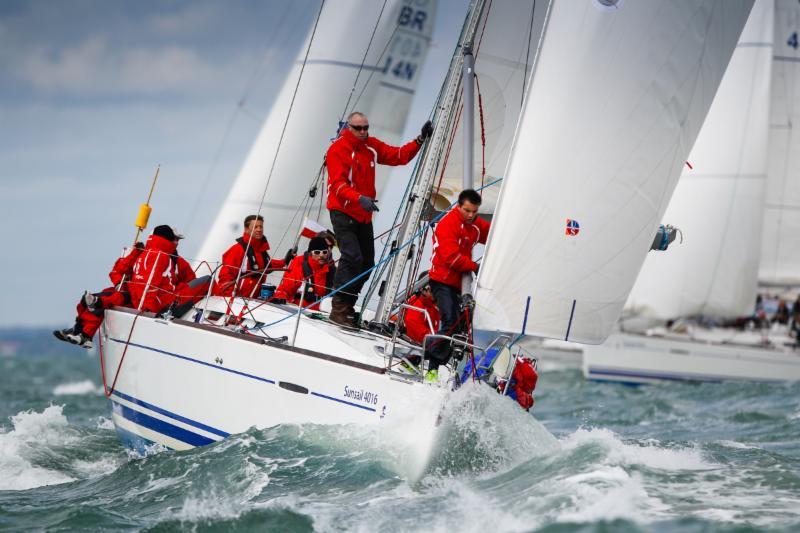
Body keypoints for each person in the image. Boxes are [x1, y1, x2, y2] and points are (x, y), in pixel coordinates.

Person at [326, 111, 433, 326]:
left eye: (366, 128)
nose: (364, 132)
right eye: (359, 128)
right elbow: (337, 184)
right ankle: (338, 308)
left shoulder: (370, 146)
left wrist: (420, 140)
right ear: (349, 128)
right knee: (352, 257)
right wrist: (359, 198)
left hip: (364, 215)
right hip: (343, 211)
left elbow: (398, 156)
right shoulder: (338, 149)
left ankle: (348, 305)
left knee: (367, 263)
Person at [424, 189, 491, 376]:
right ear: (459, 206)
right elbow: (452, 258)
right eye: (467, 210)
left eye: (475, 212)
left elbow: (494, 235)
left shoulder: (475, 224)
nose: (471, 215)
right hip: (441, 281)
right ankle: (423, 360)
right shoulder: (447, 223)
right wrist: (476, 267)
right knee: (450, 322)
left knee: (460, 328)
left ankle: (439, 369)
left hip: (459, 285)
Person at [53, 242, 144, 349]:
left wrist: (135, 253)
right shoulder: (135, 257)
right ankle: (77, 329)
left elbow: (126, 275)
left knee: (98, 304)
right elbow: (115, 272)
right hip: (121, 291)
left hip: (130, 296)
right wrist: (119, 282)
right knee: (85, 300)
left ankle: (85, 336)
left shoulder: (145, 260)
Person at [129, 225, 209, 314]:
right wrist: (147, 310)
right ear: (166, 238)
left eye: (178, 240)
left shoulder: (145, 254)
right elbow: (150, 284)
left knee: (202, 283)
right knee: (208, 280)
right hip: (163, 304)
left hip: (151, 301)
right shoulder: (160, 256)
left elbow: (190, 279)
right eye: (174, 238)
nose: (176, 242)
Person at [213, 214, 293, 298]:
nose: (259, 230)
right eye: (255, 227)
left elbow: (267, 265)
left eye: (261, 227)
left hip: (251, 300)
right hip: (236, 300)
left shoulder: (261, 251)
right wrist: (228, 298)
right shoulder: (237, 249)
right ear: (246, 229)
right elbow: (226, 275)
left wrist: (284, 261)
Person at [273, 236, 336, 310]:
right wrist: (280, 298)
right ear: (311, 253)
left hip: (321, 313)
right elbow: (286, 288)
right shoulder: (301, 267)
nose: (321, 255)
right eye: (317, 252)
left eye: (324, 252)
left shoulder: (331, 270)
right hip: (300, 311)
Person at [394, 276, 440, 345]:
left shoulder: (432, 307)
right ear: (425, 289)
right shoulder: (416, 304)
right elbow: (415, 327)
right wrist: (439, 340)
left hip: (424, 344)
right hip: (411, 344)